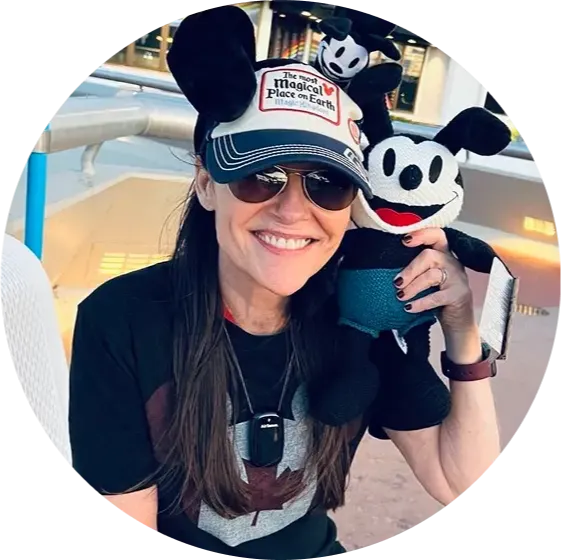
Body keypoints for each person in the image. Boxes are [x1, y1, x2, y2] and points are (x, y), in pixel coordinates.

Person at [68, 13, 501, 560]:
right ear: (206, 183)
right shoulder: (123, 320)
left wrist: (462, 332)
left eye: (328, 183)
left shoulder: (363, 316)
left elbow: (457, 480)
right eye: (261, 176)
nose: (293, 211)